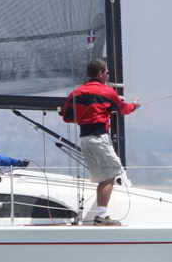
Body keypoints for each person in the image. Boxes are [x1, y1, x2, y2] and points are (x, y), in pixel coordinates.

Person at [60, 59, 140, 226]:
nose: (108, 75)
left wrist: (88, 115)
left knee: (103, 177)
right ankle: (101, 216)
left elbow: (66, 117)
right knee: (111, 175)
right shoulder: (107, 92)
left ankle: (100, 215)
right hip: (99, 138)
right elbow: (124, 109)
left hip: (85, 139)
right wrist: (135, 105)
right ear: (101, 73)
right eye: (107, 72)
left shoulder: (75, 93)